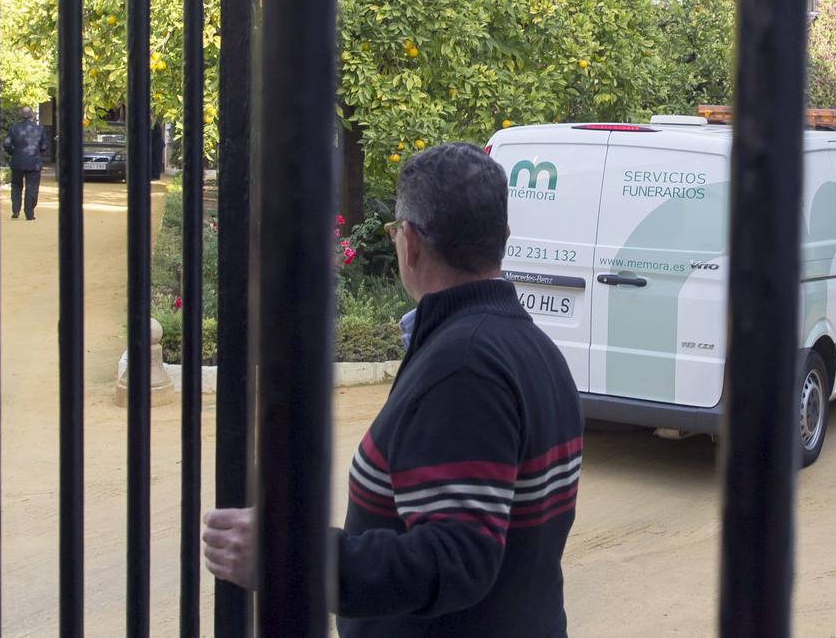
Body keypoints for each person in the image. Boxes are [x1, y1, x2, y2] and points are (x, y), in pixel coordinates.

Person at [202, 142, 584, 636]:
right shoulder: (533, 349)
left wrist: (293, 558)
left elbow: (455, 560)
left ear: (410, 242)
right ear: (504, 238)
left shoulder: (465, 366)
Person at [3, 106, 47, 220]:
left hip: (17, 161)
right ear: (32, 115)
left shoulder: (13, 128)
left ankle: (15, 210)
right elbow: (44, 147)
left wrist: (13, 153)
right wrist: (37, 153)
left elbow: (6, 144)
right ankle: (29, 213)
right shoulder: (39, 129)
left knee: (16, 185)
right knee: (32, 187)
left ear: (21, 115)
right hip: (34, 162)